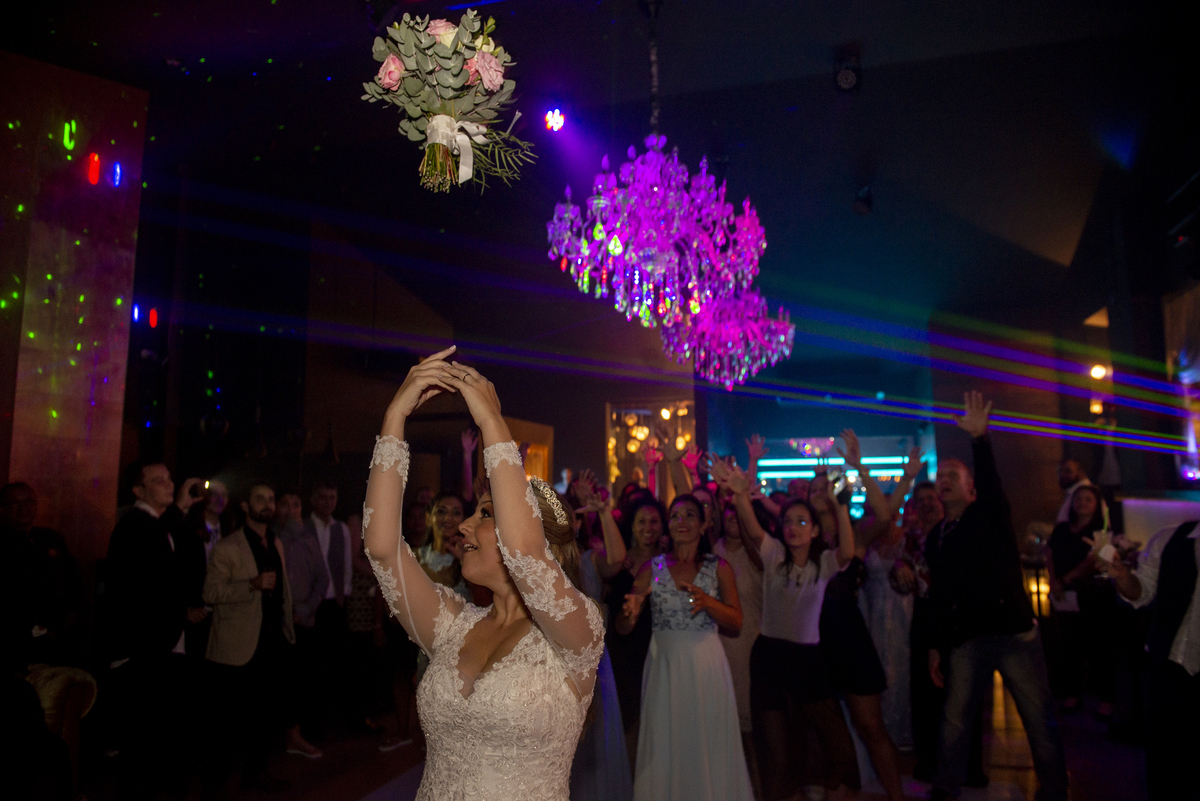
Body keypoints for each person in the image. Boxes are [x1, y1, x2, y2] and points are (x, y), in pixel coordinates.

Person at [361, 347, 605, 799]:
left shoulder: (579, 632)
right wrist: (396, 416)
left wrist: (493, 422)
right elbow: (381, 549)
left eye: (485, 513)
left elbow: (524, 553)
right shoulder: (453, 623)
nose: (465, 525)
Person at [926, 392, 1068, 801]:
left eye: (954, 475)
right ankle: (945, 786)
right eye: (941, 476)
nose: (945, 480)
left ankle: (1055, 789)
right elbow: (940, 595)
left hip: (1013, 636)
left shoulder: (988, 516)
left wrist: (980, 442)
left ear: (971, 490)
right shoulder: (937, 537)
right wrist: (937, 645)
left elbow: (991, 486)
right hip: (968, 637)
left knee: (1037, 718)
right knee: (955, 720)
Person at [713, 459, 859, 801]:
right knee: (777, 753)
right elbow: (750, 527)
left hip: (808, 662)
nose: (793, 527)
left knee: (836, 747)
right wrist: (739, 493)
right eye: (788, 521)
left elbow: (848, 551)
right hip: (770, 659)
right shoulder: (773, 554)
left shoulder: (822, 564)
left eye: (802, 522)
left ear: (814, 531)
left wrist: (840, 507)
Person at [616, 493, 752, 801]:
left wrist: (708, 603)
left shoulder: (719, 568)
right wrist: (631, 612)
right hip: (664, 663)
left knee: (707, 738)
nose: (682, 522)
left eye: (690, 515)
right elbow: (623, 628)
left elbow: (736, 621)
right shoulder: (652, 567)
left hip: (705, 663)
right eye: (675, 516)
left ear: (704, 525)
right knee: (667, 738)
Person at [103, 461, 204, 797]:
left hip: (159, 642)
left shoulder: (156, 524)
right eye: (157, 480)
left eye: (168, 479)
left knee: (159, 726)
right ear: (138, 490)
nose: (167, 484)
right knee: (145, 731)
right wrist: (178, 508)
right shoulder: (136, 524)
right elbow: (145, 583)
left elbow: (162, 579)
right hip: (143, 647)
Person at [204, 482, 304, 792]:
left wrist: (289, 628)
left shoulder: (276, 543)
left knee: (263, 716)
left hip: (272, 643)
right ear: (246, 506)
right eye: (259, 498)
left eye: (271, 499)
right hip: (237, 647)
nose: (267, 504)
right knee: (228, 721)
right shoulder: (228, 547)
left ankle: (256, 773)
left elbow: (283, 591)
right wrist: (252, 584)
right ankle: (216, 784)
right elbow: (210, 593)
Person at [1104, 518, 1200, 799]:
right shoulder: (1171, 538)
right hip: (1170, 664)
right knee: (1165, 763)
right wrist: (1123, 577)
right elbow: (1140, 591)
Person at [569, 474, 634, 801]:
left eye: (573, 517)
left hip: (590, 666)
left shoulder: (588, 560)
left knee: (590, 746)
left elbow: (617, 560)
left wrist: (604, 512)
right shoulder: (534, 563)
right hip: (549, 663)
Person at [1046, 484, 1114, 715]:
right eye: (1079, 499)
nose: (1082, 503)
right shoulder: (1062, 529)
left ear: (1096, 505)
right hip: (1063, 594)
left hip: (1092, 594)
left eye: (1088, 499)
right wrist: (1054, 581)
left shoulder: (1101, 532)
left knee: (1099, 646)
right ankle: (1072, 694)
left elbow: (1093, 562)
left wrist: (1066, 580)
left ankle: (1106, 699)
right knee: (1069, 646)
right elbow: (1051, 555)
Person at [608, 495, 666, 762]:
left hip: (657, 651)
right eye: (641, 521)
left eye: (654, 521)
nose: (648, 527)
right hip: (623, 652)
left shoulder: (669, 562)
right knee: (625, 727)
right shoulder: (619, 561)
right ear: (631, 526)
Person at [713, 500, 764, 790]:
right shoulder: (712, 551)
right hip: (716, 643)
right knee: (721, 724)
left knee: (749, 728)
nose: (732, 516)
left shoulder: (756, 554)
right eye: (728, 511)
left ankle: (755, 787)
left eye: (738, 512)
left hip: (748, 643)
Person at [304, 477, 352, 726]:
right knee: (311, 663)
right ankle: (312, 719)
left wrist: (343, 596)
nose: (328, 502)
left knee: (333, 662)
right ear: (313, 500)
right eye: (323, 497)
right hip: (310, 603)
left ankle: (330, 716)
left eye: (332, 497)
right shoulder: (303, 527)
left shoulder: (340, 529)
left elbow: (345, 566)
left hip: (334, 602)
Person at [1054, 459, 1092, 524]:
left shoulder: (1085, 492)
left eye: (1068, 471)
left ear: (1081, 472)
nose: (1062, 475)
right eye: (1060, 471)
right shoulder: (1073, 490)